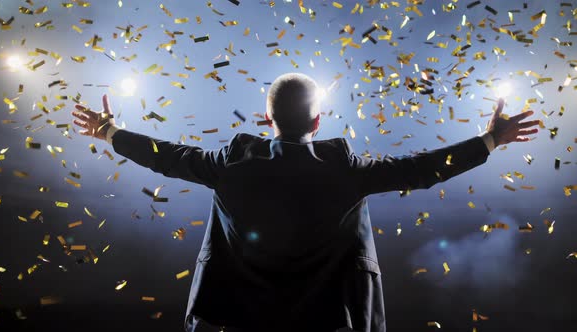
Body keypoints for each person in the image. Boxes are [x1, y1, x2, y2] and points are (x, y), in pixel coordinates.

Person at [72, 73, 539, 332]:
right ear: (318, 121)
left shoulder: (231, 162)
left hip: (235, 325)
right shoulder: (345, 170)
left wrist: (111, 132)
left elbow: (170, 158)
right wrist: (489, 140)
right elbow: (418, 170)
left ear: (266, 118)